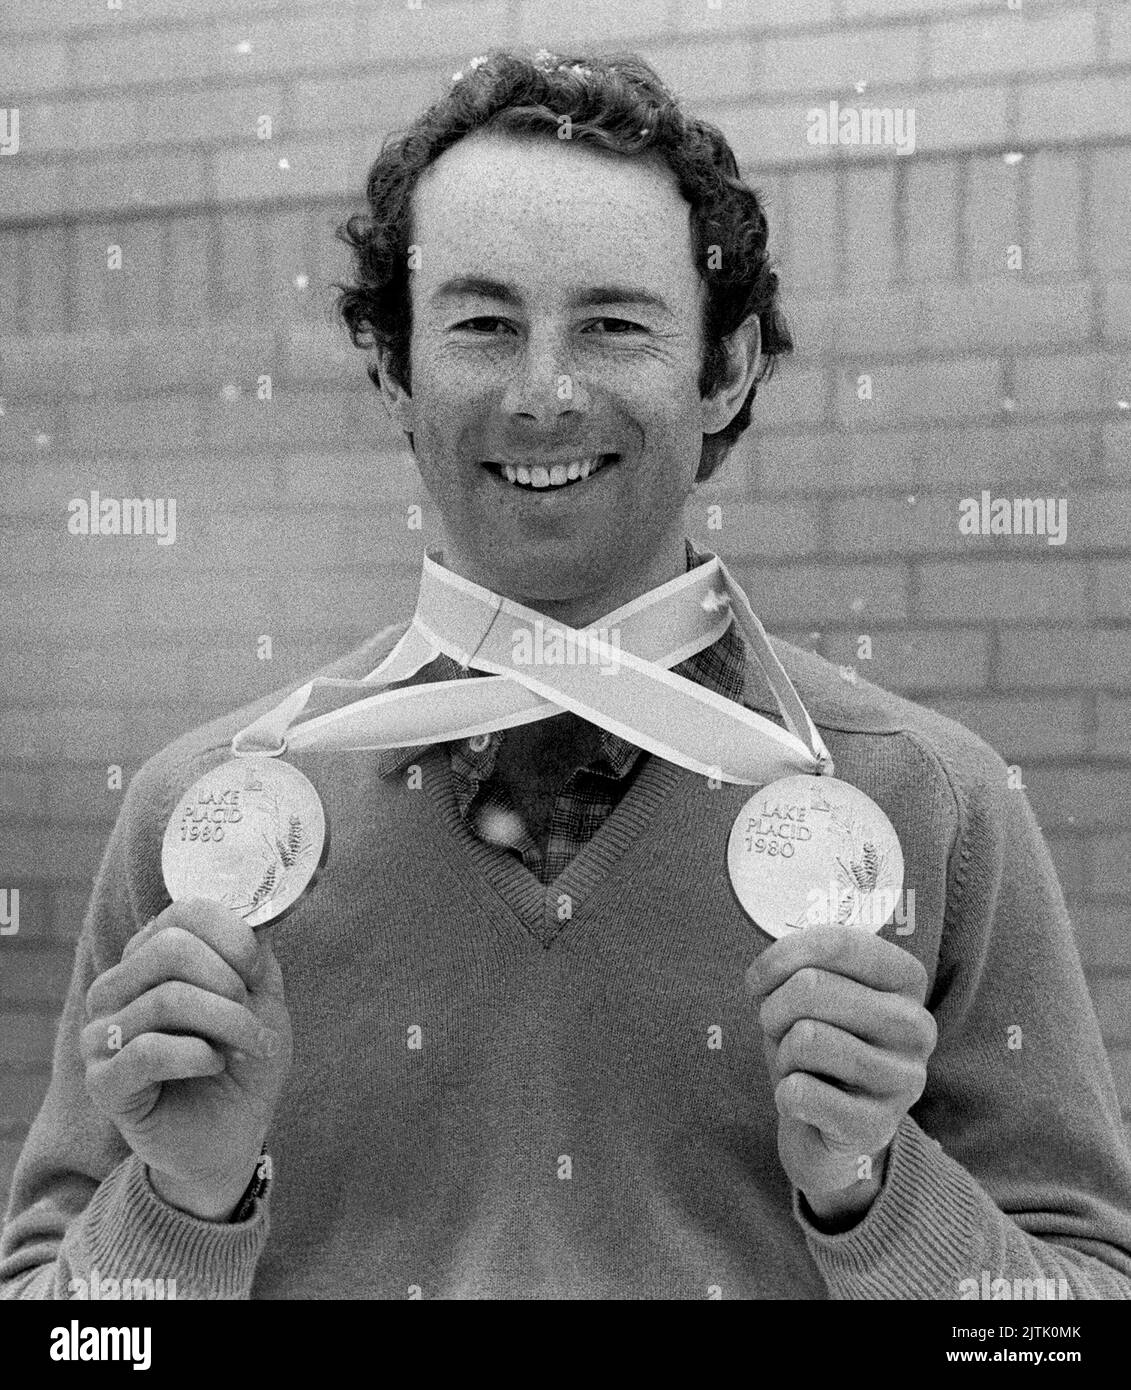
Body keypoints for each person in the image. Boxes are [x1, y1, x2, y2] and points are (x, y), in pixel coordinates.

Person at [3, 50, 1130, 1301]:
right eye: (483, 324)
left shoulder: (933, 809)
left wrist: (871, 1194)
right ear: (392, 366)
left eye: (612, 324)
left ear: (727, 369)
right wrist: (179, 1205)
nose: (544, 392)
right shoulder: (200, 821)